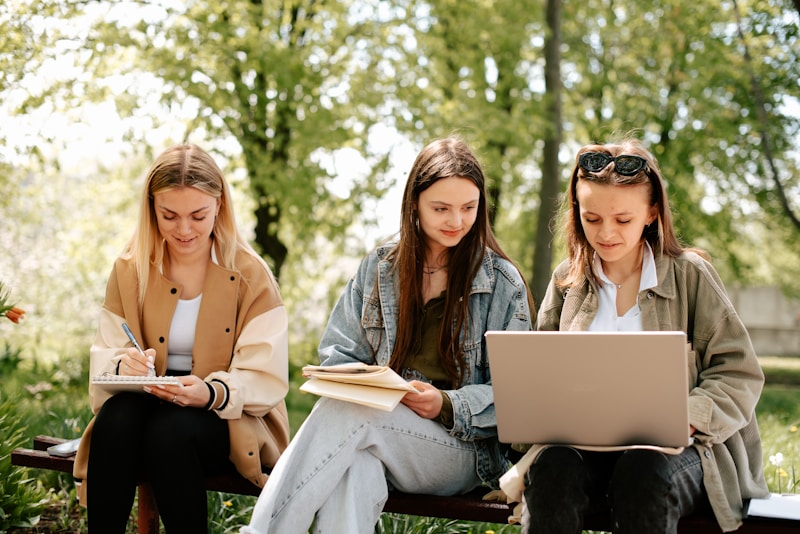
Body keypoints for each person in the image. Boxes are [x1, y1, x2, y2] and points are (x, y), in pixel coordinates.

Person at [241, 136, 534, 533]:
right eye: (441, 208)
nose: (456, 221)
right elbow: (338, 354)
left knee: (353, 413)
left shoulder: (502, 282)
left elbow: (518, 396)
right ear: (414, 203)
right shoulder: (379, 269)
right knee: (356, 467)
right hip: (377, 435)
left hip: (463, 453)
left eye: (468, 208)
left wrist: (446, 403)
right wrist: (369, 383)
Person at [501, 139, 769, 533]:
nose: (606, 233)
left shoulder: (690, 275)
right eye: (592, 219)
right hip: (584, 452)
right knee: (553, 466)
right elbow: (540, 376)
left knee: (642, 470)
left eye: (623, 220)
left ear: (652, 212)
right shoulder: (567, 280)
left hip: (677, 456)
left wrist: (687, 418)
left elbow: (738, 373)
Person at [72, 143, 291, 533]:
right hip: (145, 408)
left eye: (198, 215)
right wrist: (124, 364)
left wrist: (208, 393)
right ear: (151, 208)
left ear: (219, 206)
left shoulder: (250, 274)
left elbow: (266, 375)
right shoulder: (129, 268)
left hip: (224, 417)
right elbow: (106, 353)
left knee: (169, 431)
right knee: (115, 419)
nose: (184, 229)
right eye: (169, 215)